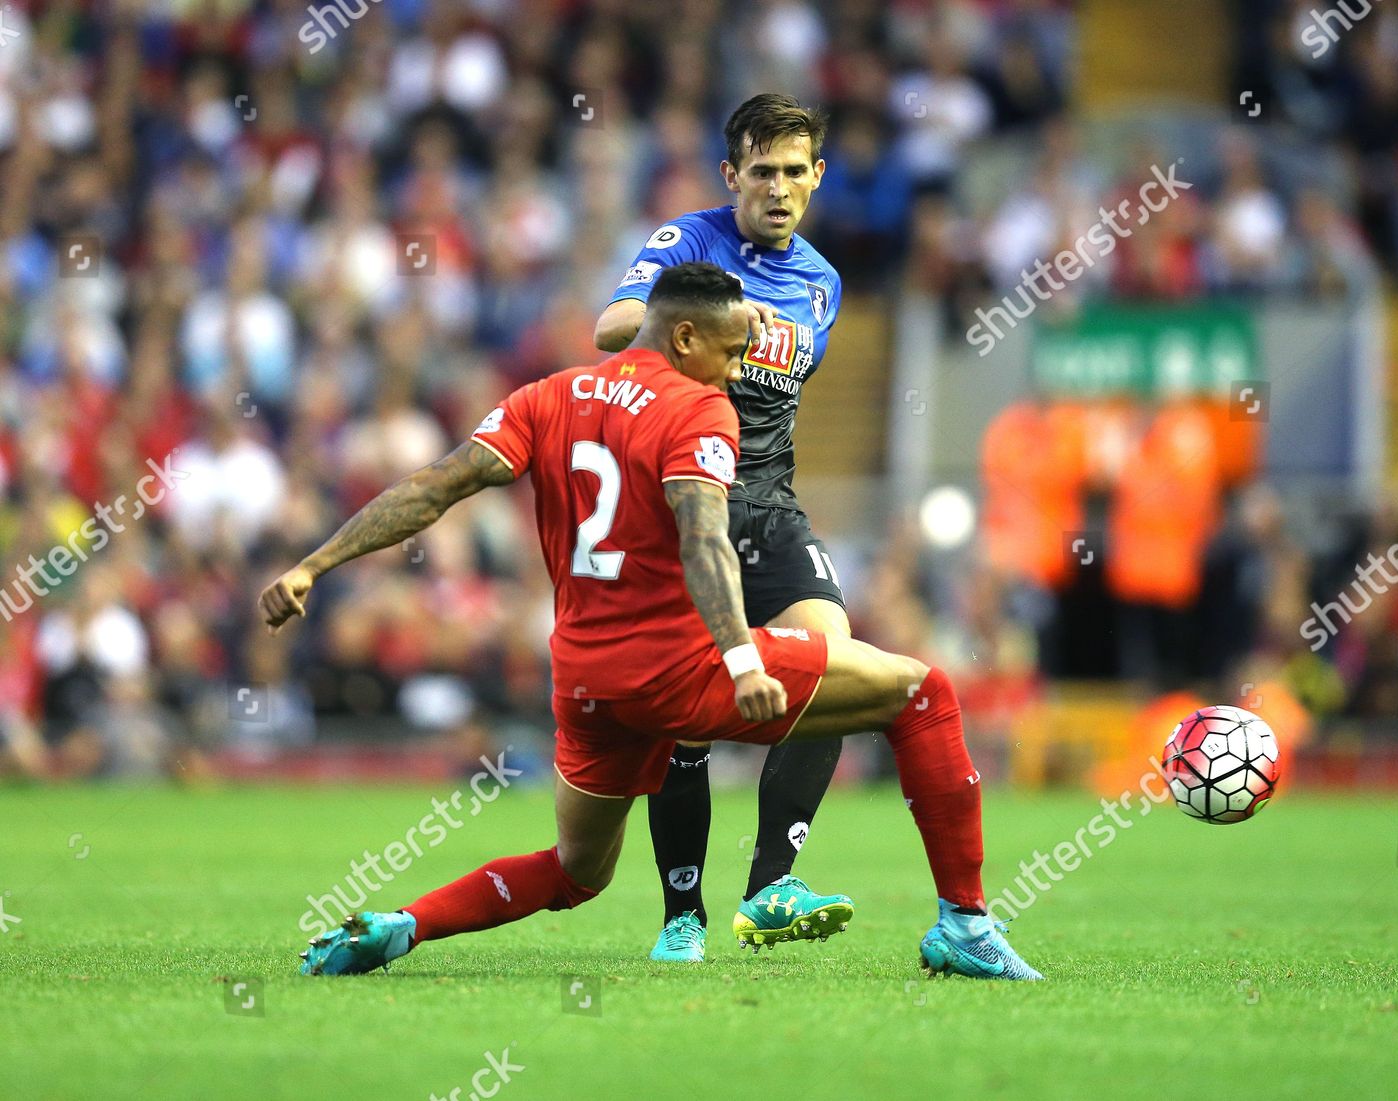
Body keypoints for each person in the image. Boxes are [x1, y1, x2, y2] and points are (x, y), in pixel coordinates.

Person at [261, 263, 1042, 981]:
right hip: (681, 670)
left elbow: (432, 488)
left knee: (577, 870)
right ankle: (964, 925)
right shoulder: (697, 407)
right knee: (923, 692)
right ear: (686, 337)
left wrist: (312, 566)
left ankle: (403, 924)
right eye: (733, 354)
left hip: (584, 684)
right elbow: (705, 537)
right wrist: (741, 658)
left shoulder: (546, 395)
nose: (738, 374)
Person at [594, 93, 853, 962]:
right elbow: (610, 328)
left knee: (832, 667)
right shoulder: (688, 242)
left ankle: (770, 886)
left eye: (795, 172)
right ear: (731, 173)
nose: (778, 188)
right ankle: (680, 916)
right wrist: (716, 306)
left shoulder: (823, 279)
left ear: (816, 178)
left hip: (772, 502)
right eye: (763, 170)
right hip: (686, 495)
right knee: (690, 719)